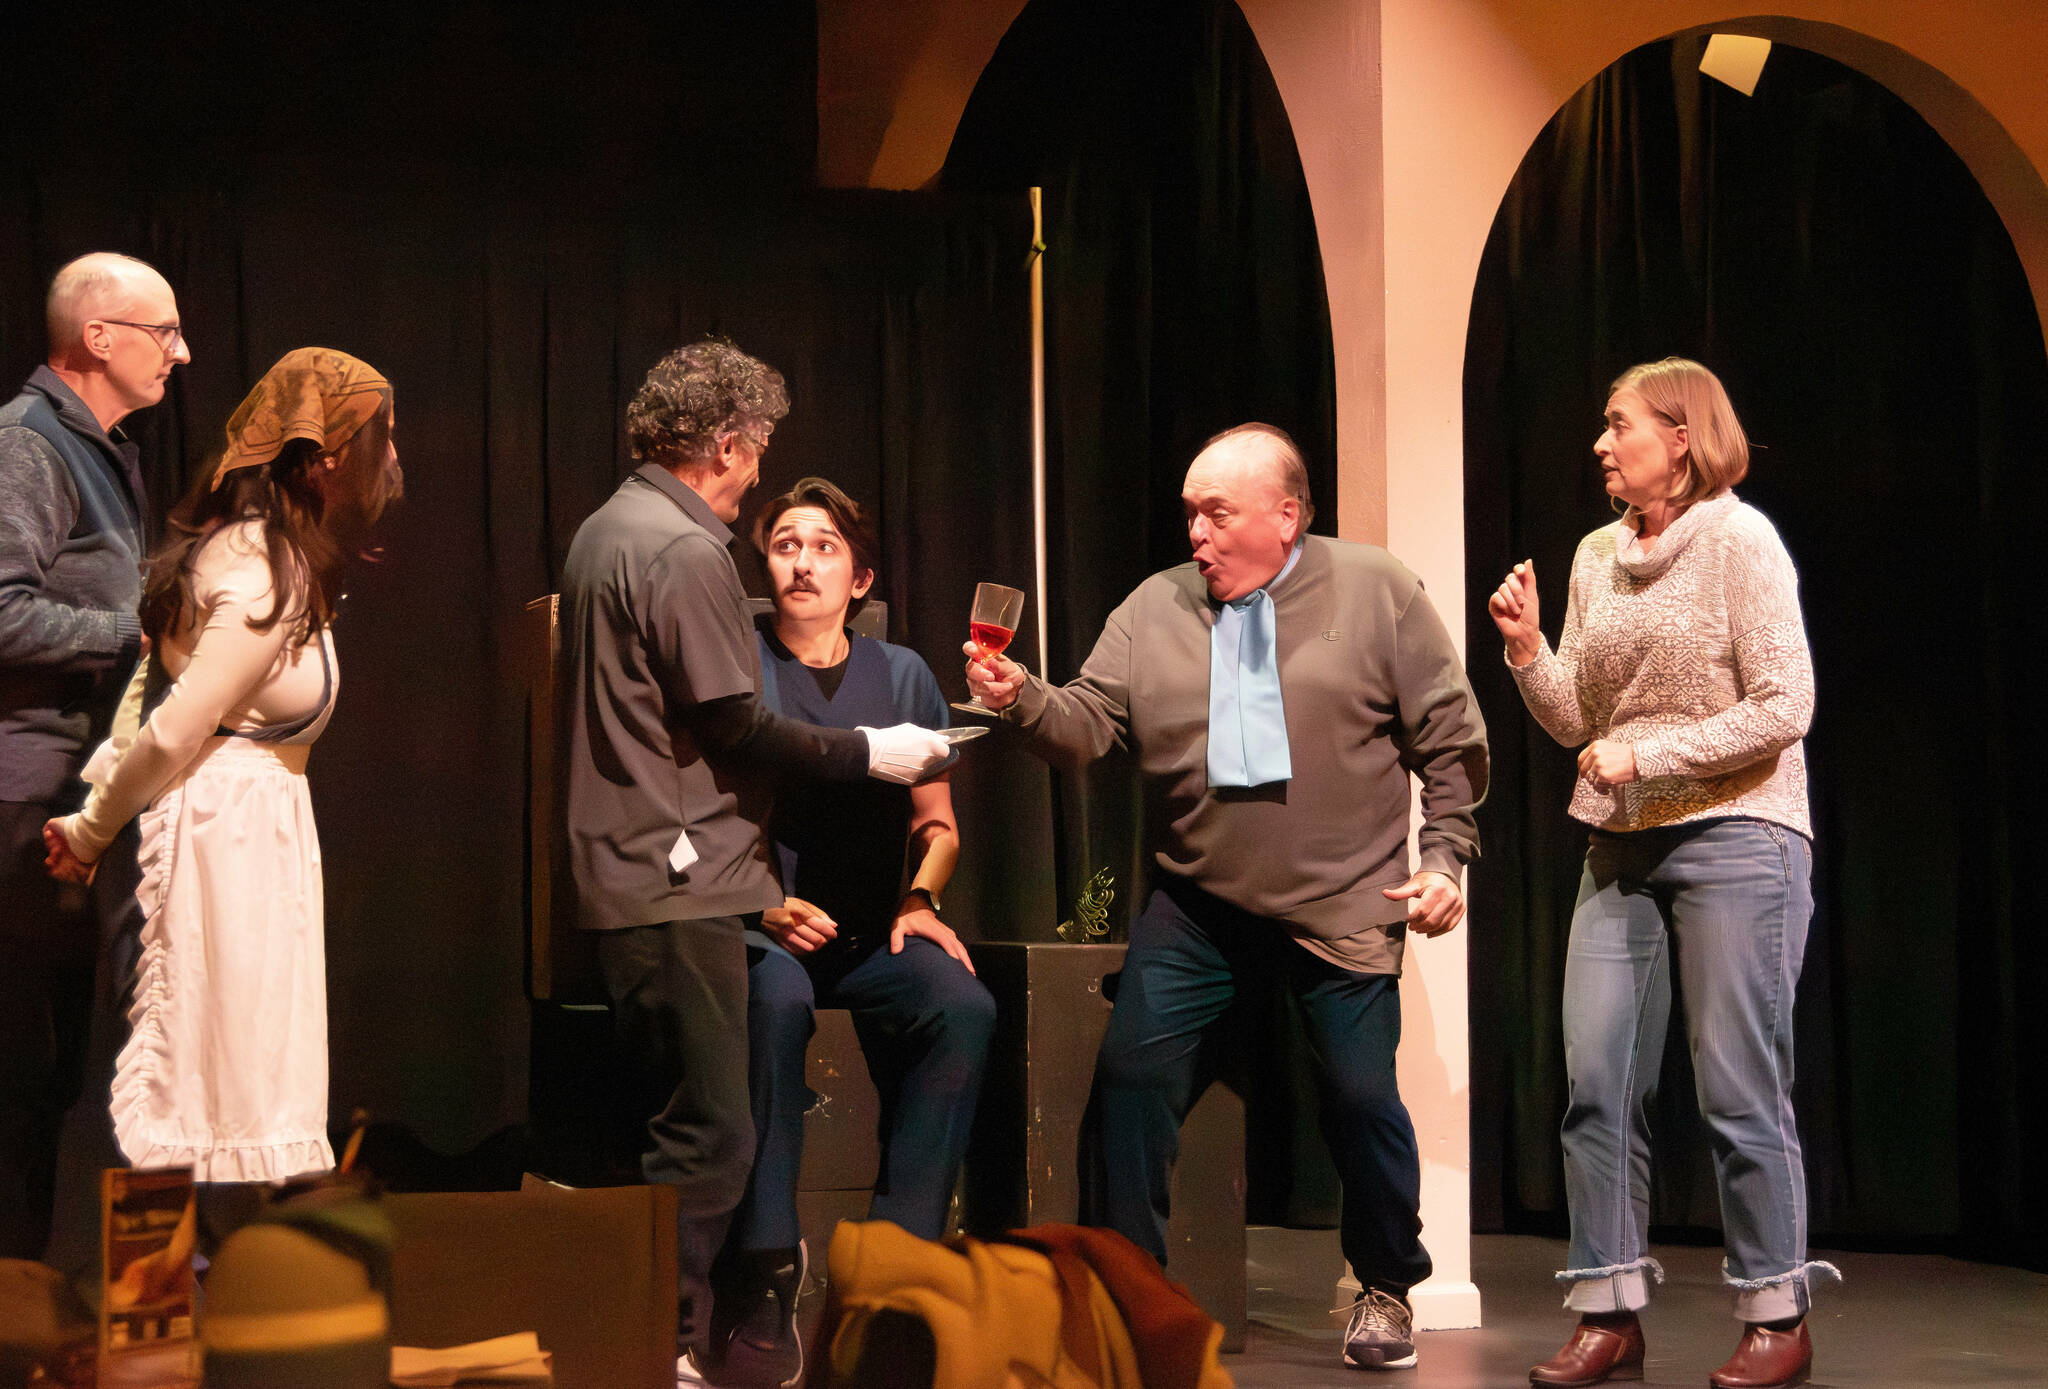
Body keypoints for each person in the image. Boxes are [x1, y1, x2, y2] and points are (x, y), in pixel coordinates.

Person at [965, 422, 1488, 1374]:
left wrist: (1445, 858)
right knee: (1129, 1085)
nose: (1197, 534)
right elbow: (1090, 725)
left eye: (1217, 513)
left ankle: (1386, 1284)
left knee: (1363, 1096)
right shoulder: (1154, 606)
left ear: (1285, 516)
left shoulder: (1377, 591)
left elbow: (1450, 744)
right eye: (1190, 514)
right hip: (1199, 903)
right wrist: (1020, 696)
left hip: (1340, 903)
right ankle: (1133, 1297)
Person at [553, 341, 950, 1383]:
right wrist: (868, 750)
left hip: (629, 870)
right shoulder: (681, 551)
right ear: (725, 442)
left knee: (689, 1123)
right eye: (757, 455)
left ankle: (655, 1336)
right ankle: (662, 1345)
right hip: (671, 877)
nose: (756, 480)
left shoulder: (607, 527)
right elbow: (733, 722)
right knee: (708, 1135)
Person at [1490, 358, 1832, 1389]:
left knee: (1736, 1084)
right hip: (1620, 842)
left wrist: (1653, 753)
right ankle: (1607, 1309)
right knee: (1594, 1081)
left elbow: (1785, 705)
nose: (1599, 442)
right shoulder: (1595, 553)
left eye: (1617, 425)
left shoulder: (1739, 540)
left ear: (1679, 437)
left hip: (1739, 835)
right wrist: (1523, 653)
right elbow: (1585, 725)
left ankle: (1775, 1313)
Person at [42, 348, 400, 1205]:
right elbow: (176, 719)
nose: (394, 462)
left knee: (231, 1075)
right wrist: (92, 832)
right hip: (209, 836)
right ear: (324, 461)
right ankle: (152, 1315)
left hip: (249, 832)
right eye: (382, 442)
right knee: (180, 1080)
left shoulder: (277, 557)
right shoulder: (256, 565)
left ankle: (211, 1308)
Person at [718, 477, 995, 1388]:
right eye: (786, 543)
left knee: (961, 1006)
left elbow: (937, 821)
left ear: (860, 573)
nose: (803, 560)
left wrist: (919, 899)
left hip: (876, 929)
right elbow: (710, 814)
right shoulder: (740, 659)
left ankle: (894, 1272)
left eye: (824, 545)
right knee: (772, 1002)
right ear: (766, 563)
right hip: (770, 924)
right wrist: (760, 902)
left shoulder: (903, 671)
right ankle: (765, 1275)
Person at [1, 252, 190, 1260]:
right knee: (23, 1080)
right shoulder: (27, 444)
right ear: (98, 337)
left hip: (78, 795)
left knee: (69, 1079)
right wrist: (144, 629)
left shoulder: (106, 448)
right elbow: (0, 614)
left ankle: (46, 1307)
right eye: (164, 332)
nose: (182, 351)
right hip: (25, 800)